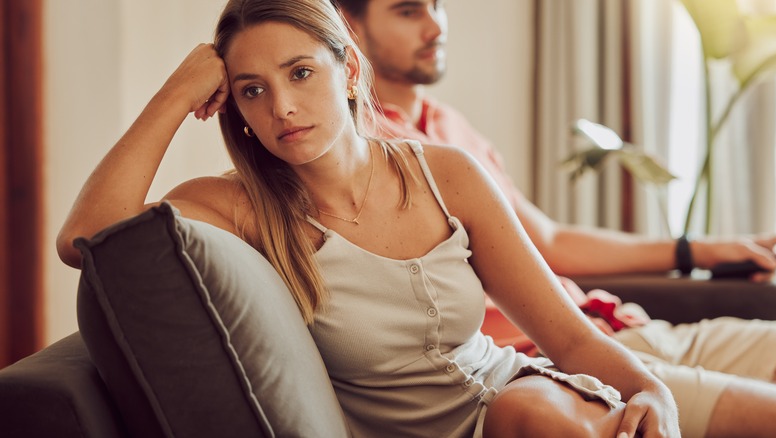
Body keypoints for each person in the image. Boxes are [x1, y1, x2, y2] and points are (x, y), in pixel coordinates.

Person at [56, 0, 680, 436]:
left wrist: (653, 388)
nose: (282, 107)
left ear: (349, 72)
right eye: (252, 89)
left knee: (538, 417)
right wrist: (176, 91)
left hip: (521, 404)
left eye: (301, 73)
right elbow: (85, 239)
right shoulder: (238, 206)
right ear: (234, 107)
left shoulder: (448, 173)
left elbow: (568, 337)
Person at [330, 0, 776, 436]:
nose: (435, 27)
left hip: (614, 329)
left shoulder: (450, 128)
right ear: (349, 25)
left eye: (437, 6)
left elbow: (547, 239)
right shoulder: (361, 156)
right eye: (408, 11)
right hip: (551, 361)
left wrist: (694, 250)